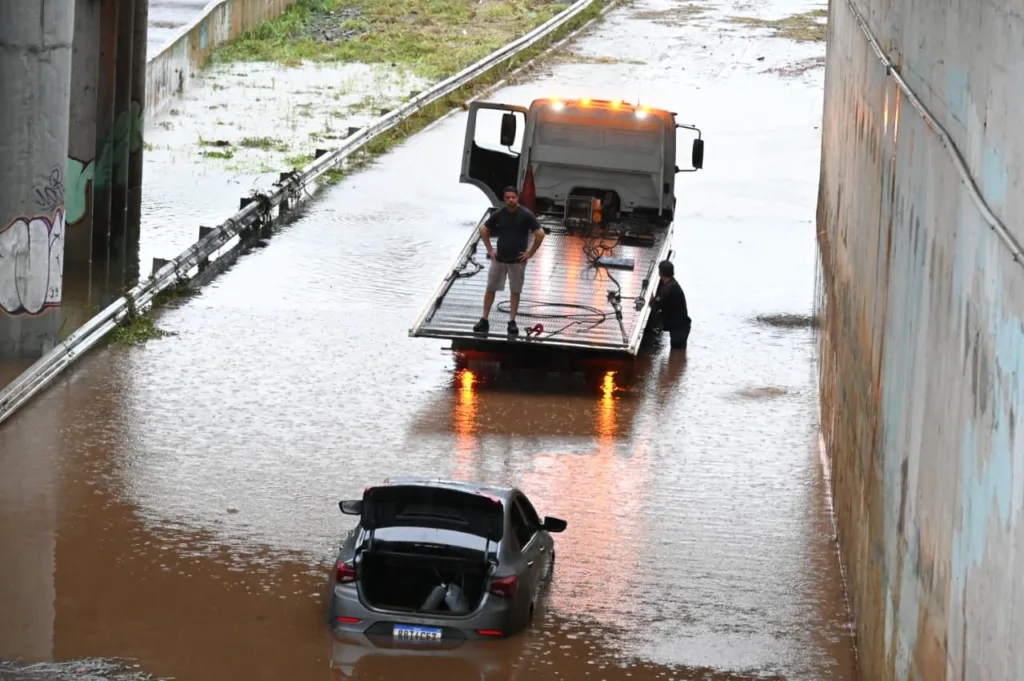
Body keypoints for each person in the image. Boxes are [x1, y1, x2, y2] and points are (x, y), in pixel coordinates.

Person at [473, 186, 546, 336]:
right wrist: (490, 249)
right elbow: (483, 230)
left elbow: (540, 233)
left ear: (517, 198)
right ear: (504, 199)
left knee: (515, 291)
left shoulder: (526, 215)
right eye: (507, 197)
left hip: (517, 260)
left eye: (513, 197)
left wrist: (530, 252)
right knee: (490, 288)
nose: (510, 200)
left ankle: (512, 321)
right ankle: (484, 319)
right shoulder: (500, 214)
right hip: (499, 259)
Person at [652, 260, 691, 350]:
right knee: (677, 356)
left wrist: (651, 299)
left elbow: (655, 305)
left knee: (676, 350)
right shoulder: (672, 284)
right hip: (682, 325)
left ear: (660, 273)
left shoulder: (668, 289)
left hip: (679, 328)